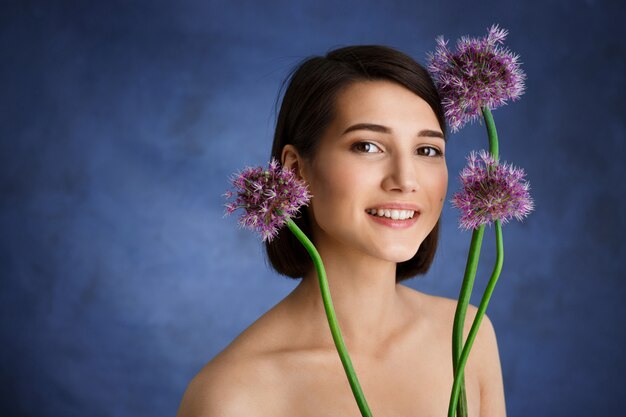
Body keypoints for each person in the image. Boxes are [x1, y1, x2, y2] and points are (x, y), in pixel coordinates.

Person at [176, 45, 506, 417]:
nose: (405, 179)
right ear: (296, 169)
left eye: (427, 150)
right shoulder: (232, 396)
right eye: (367, 146)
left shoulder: (465, 336)